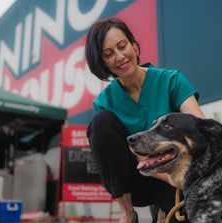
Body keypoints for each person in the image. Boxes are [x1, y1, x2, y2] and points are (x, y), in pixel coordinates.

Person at [85, 18, 204, 223]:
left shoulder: (171, 81)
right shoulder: (104, 102)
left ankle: (162, 209)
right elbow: (117, 156)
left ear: (133, 44)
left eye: (122, 46)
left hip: (175, 177)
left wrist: (175, 180)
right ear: (102, 62)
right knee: (100, 123)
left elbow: (200, 130)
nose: (120, 57)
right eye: (109, 54)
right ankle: (127, 213)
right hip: (136, 180)